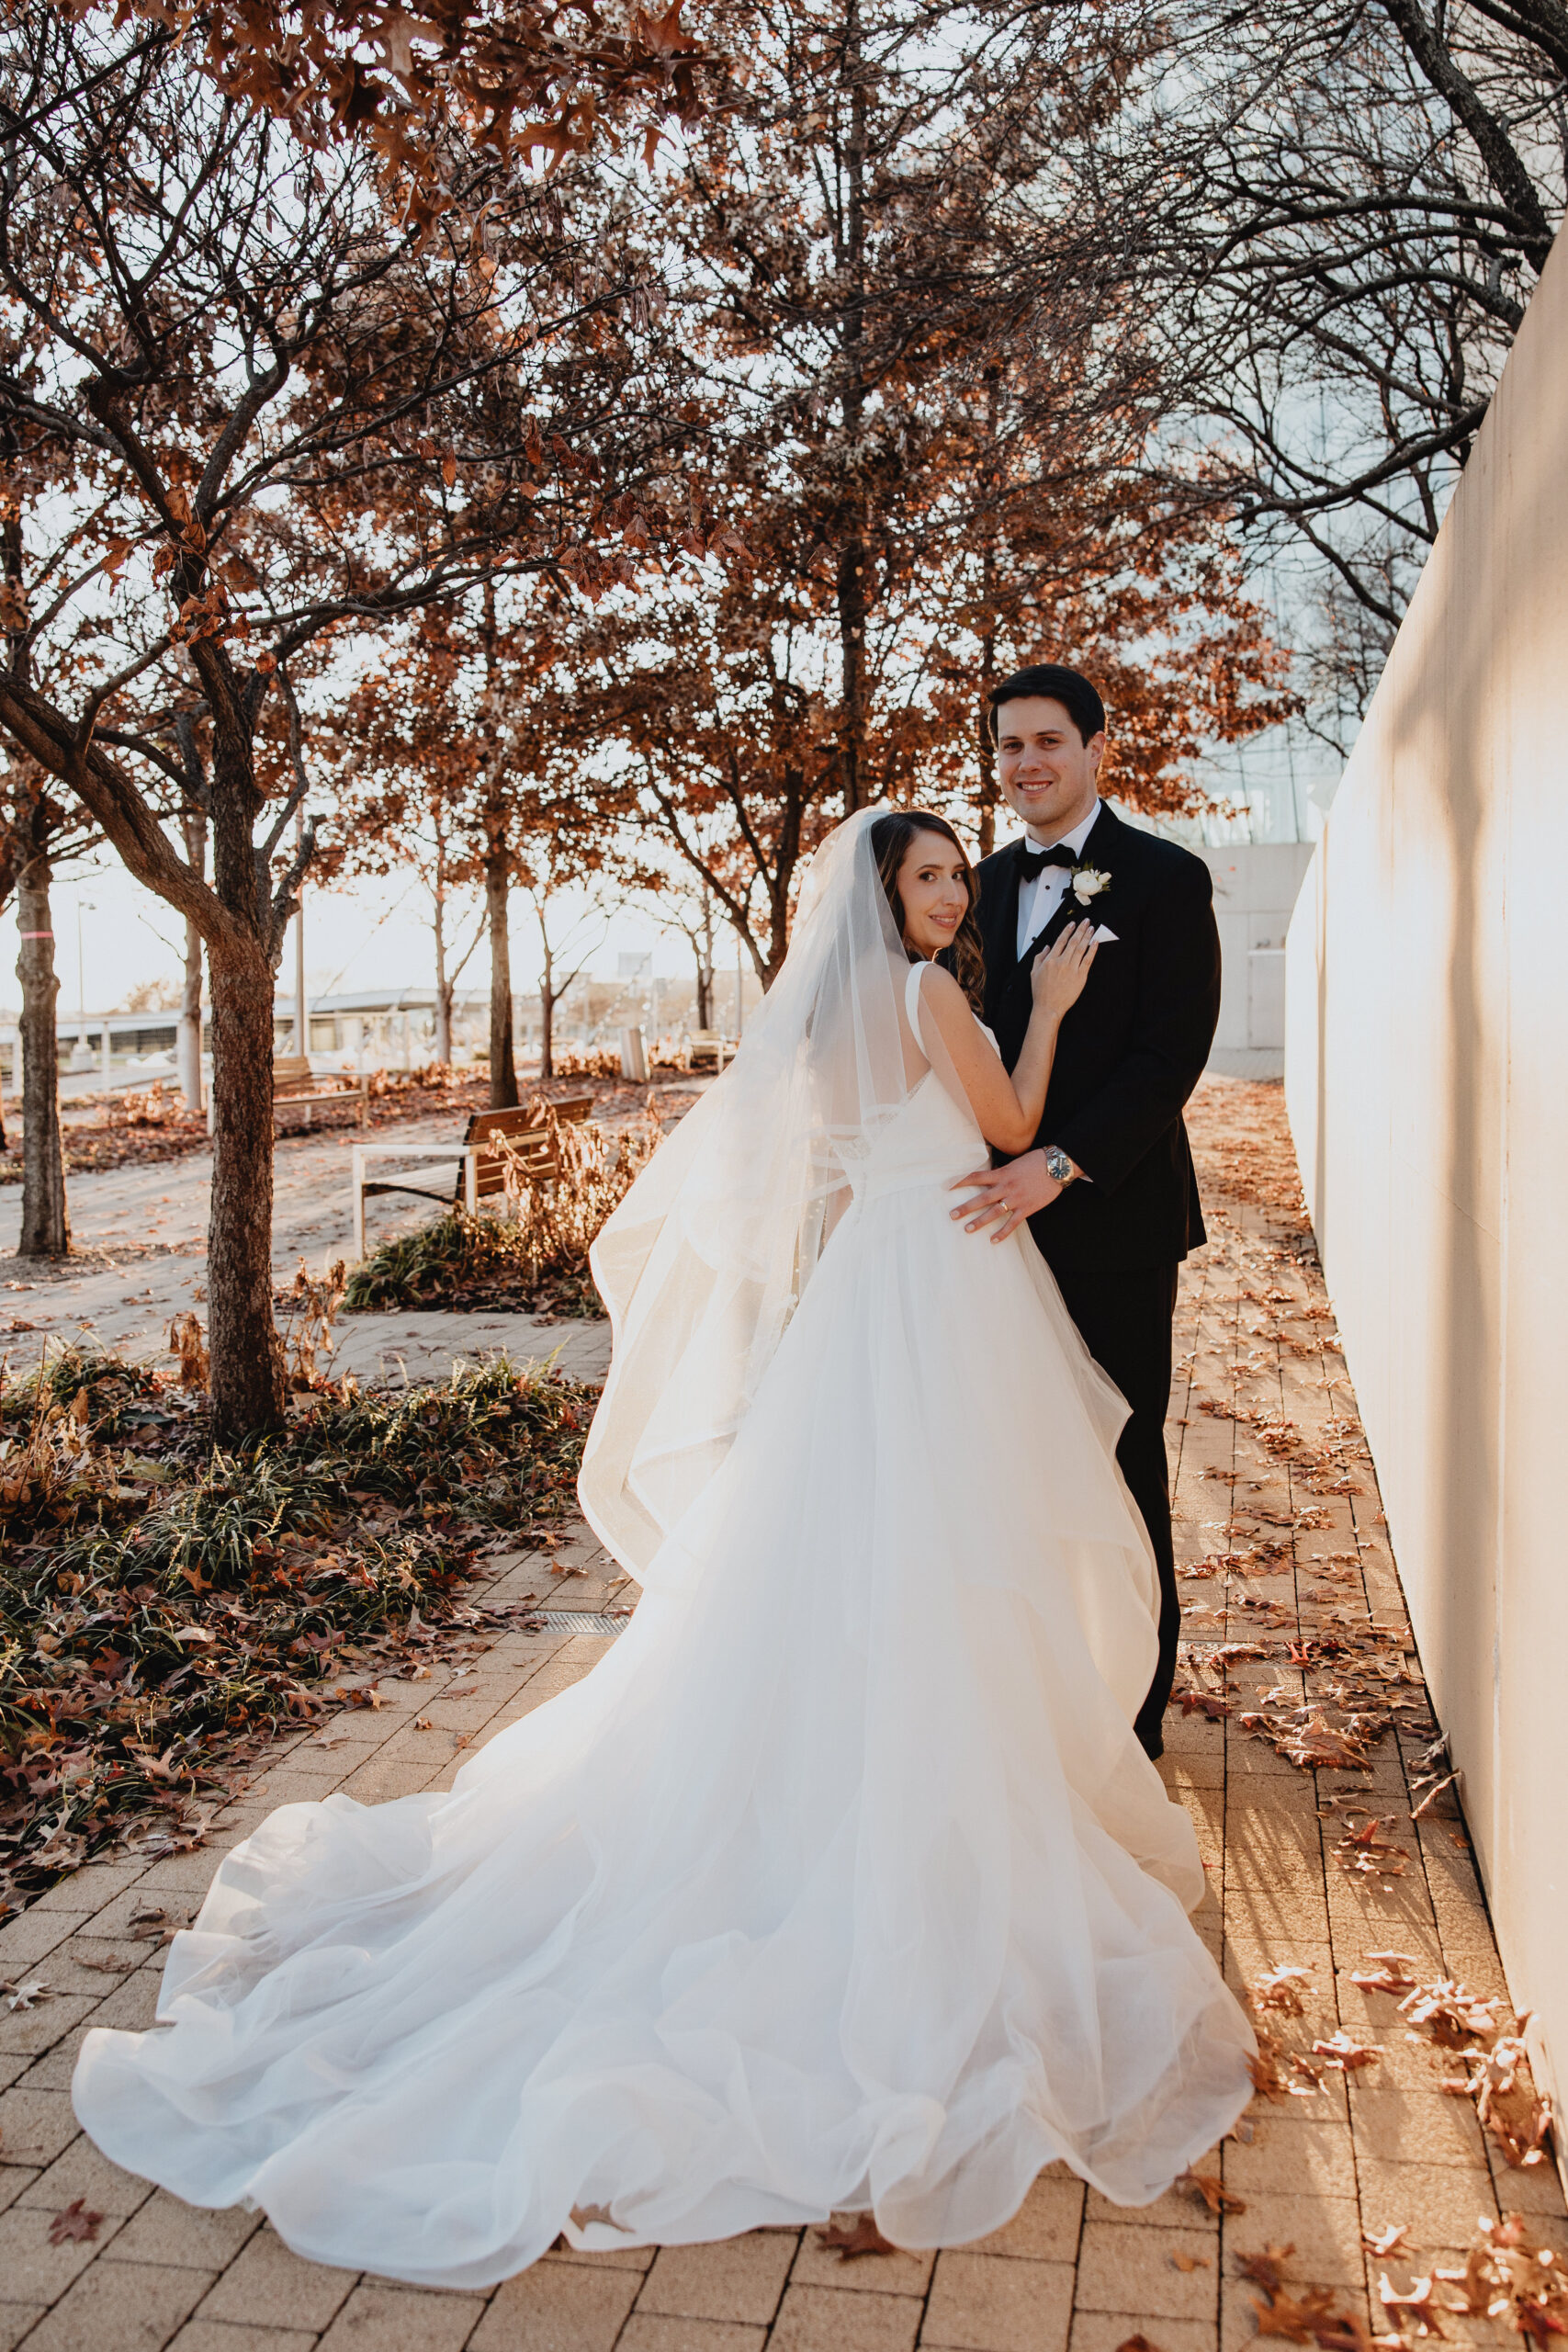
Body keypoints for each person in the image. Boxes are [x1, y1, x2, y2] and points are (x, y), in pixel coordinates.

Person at [71, 808, 1252, 2289]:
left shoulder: (827, 1018)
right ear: (884, 900)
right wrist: (1059, 1010)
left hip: (868, 1296)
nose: (951, 895)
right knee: (951, 1548)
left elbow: (826, 1179)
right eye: (928, 877)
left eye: (956, 874)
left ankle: (847, 1775)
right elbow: (1010, 1130)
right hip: (945, 1291)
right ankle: (933, 1803)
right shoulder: (926, 992)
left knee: (851, 1558)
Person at [953, 665, 1222, 1760]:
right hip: (986, 1235)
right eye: (1009, 745)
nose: (1027, 764)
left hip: (1111, 1222)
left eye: (1048, 741)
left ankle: (1132, 1716)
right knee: (1008, 1461)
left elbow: (1170, 1059)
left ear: (1098, 746)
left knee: (1119, 1458)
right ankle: (1035, 1693)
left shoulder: (1163, 879)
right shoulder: (964, 885)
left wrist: (1056, 1164)